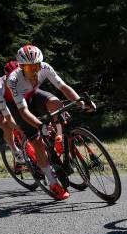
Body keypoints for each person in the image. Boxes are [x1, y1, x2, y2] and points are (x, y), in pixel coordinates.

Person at [6, 44, 95, 200]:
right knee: (37, 140)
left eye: (36, 67)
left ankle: (60, 138)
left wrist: (81, 103)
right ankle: (53, 183)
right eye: (29, 69)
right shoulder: (13, 80)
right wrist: (40, 126)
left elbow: (63, 86)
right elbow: (24, 112)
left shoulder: (45, 67)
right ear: (21, 68)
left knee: (56, 103)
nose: (34, 72)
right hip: (17, 105)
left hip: (33, 94)